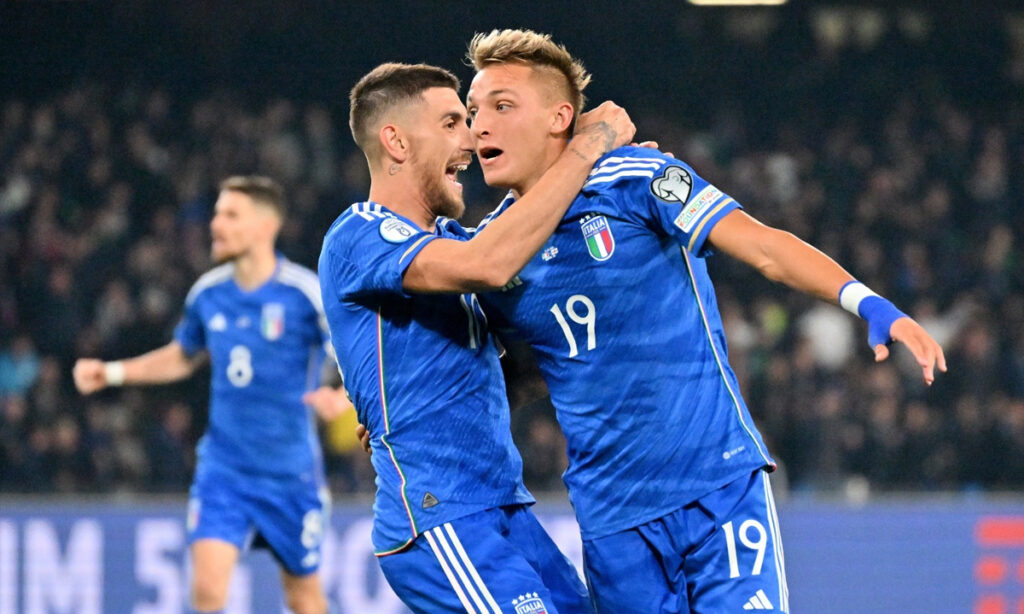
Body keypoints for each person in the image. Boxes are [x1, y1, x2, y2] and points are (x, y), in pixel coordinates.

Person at [452, 29, 948, 613]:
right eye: (472, 111)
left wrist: (868, 302)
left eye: (502, 106)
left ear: (561, 117)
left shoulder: (636, 179)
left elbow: (763, 246)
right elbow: (507, 372)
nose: (479, 125)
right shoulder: (492, 254)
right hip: (613, 523)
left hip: (717, 488)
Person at [319, 62, 633, 613]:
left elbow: (521, 367)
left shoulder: (451, 243)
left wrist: (622, 184)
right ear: (394, 140)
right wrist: (586, 149)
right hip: (442, 516)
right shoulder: (360, 235)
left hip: (501, 511)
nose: (469, 138)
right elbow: (489, 261)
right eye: (449, 123)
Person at [73, 176, 334, 614]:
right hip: (224, 472)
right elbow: (183, 356)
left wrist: (343, 398)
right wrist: (113, 372)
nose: (216, 224)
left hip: (290, 476)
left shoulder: (303, 293)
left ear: (266, 226)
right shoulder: (208, 294)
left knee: (303, 599)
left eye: (230, 215)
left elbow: (355, 355)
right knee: (208, 594)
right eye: (216, 213)